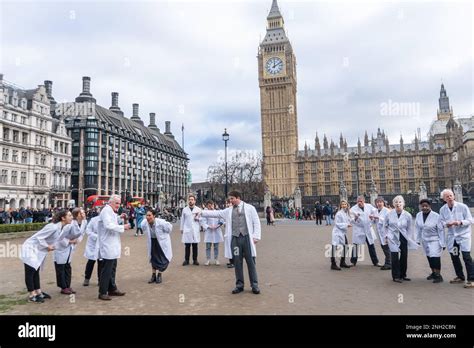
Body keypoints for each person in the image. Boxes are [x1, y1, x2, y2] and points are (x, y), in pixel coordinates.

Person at [200, 191, 261, 294]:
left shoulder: (250, 208)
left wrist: (256, 236)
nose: (230, 201)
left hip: (247, 238)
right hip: (235, 239)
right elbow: (216, 213)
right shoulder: (228, 210)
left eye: (232, 199)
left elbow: (256, 222)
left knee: (251, 262)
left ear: (238, 198)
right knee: (237, 262)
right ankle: (239, 285)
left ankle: (254, 285)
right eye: (230, 199)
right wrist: (201, 212)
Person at [20, 210, 73, 303]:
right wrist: (47, 246)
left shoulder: (60, 228)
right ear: (63, 218)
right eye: (69, 215)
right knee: (30, 271)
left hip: (38, 250)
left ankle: (38, 292)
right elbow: (39, 237)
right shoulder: (53, 227)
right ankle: (32, 295)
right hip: (30, 248)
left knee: (36, 270)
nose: (72, 217)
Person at [97, 195, 130, 300]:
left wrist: (120, 217)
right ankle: (102, 292)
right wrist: (123, 227)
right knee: (107, 269)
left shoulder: (110, 211)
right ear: (110, 202)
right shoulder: (106, 211)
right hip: (108, 244)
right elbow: (108, 225)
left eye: (119, 203)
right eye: (116, 203)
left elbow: (112, 220)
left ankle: (112, 288)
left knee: (112, 268)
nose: (118, 205)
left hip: (112, 244)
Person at [439, 189, 474, 288]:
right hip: (453, 237)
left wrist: (460, 222)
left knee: (466, 257)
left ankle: (471, 279)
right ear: (444, 199)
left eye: (451, 195)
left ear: (454, 196)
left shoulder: (462, 207)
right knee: (454, 256)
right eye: (447, 196)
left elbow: (470, 220)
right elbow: (441, 222)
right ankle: (460, 276)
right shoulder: (443, 209)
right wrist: (446, 224)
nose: (449, 198)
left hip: (464, 236)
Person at [384, 195, 418, 283]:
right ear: (393, 204)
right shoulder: (389, 214)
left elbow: (409, 228)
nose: (398, 204)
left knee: (404, 256)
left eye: (400, 202)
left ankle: (403, 275)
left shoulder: (407, 215)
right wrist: (386, 236)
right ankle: (396, 276)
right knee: (394, 256)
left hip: (403, 237)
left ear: (403, 204)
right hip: (393, 237)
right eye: (396, 202)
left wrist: (408, 238)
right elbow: (385, 226)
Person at [54, 207, 87, 294]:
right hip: (61, 247)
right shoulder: (69, 225)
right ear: (77, 215)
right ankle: (63, 287)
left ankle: (68, 285)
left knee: (68, 266)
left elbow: (82, 233)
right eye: (82, 213)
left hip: (71, 247)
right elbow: (59, 237)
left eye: (84, 213)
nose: (84, 215)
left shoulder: (84, 222)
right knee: (61, 267)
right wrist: (70, 241)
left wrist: (77, 240)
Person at [415, 199, 445, 283]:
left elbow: (441, 230)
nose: (424, 208)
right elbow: (417, 228)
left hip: (435, 239)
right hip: (425, 240)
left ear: (430, 206)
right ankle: (433, 273)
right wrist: (417, 239)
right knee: (429, 256)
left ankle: (438, 275)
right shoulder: (418, 215)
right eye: (422, 206)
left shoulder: (436, 216)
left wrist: (443, 243)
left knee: (435, 257)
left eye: (426, 206)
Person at [141, 209, 173, 284]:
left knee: (163, 259)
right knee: (153, 258)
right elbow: (143, 228)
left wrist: (164, 235)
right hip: (153, 242)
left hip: (161, 243)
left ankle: (159, 274)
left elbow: (169, 228)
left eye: (149, 215)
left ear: (154, 216)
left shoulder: (161, 223)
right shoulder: (144, 223)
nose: (148, 217)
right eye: (147, 215)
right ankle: (153, 275)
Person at [350, 196, 381, 267]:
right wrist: (355, 218)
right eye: (358, 201)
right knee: (356, 246)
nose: (359, 203)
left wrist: (373, 216)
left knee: (371, 246)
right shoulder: (353, 209)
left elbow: (376, 212)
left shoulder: (369, 206)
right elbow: (350, 219)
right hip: (359, 230)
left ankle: (375, 262)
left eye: (361, 201)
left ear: (364, 201)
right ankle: (353, 262)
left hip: (368, 229)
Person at [330, 200, 353, 270]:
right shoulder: (339, 213)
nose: (344, 205)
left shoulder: (346, 213)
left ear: (347, 205)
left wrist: (356, 218)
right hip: (337, 232)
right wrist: (346, 225)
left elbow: (350, 220)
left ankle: (342, 262)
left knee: (345, 247)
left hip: (342, 233)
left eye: (345, 204)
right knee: (334, 247)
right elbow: (337, 223)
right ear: (340, 206)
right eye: (342, 204)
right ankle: (333, 264)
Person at [180, 194, 202, 266]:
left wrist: (198, 219)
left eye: (192, 200)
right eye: (189, 200)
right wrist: (181, 228)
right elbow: (182, 220)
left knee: (195, 245)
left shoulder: (198, 210)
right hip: (187, 229)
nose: (190, 201)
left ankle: (195, 260)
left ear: (194, 201)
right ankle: (186, 260)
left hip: (195, 229)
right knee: (187, 246)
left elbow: (201, 219)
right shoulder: (184, 210)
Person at [83, 209, 102, 286]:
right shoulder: (94, 220)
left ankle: (100, 280)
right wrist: (95, 236)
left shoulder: (109, 220)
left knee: (101, 262)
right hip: (93, 243)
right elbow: (88, 230)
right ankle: (87, 278)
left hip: (102, 244)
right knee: (91, 261)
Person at [201, 200, 224, 266]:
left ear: (214, 205)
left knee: (216, 247)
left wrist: (217, 225)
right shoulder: (205, 213)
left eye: (211, 205)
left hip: (216, 231)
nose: (210, 206)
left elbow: (221, 220)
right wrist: (209, 226)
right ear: (207, 206)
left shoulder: (218, 212)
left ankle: (216, 259)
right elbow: (203, 222)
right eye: (209, 205)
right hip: (209, 231)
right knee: (208, 247)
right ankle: (208, 259)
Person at [371, 197, 391, 270]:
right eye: (377, 202)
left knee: (387, 248)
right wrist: (372, 218)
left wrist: (378, 218)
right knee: (384, 247)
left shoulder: (387, 211)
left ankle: (389, 263)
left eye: (380, 202)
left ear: (383, 202)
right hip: (380, 232)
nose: (379, 203)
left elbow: (389, 222)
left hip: (386, 232)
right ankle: (388, 262)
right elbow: (373, 222)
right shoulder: (376, 211)